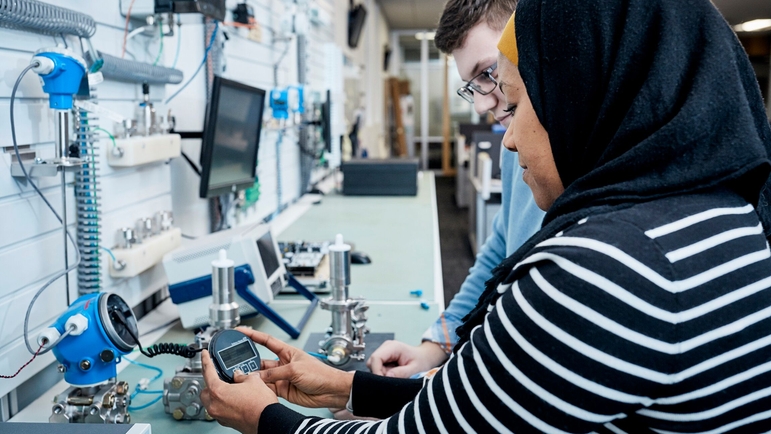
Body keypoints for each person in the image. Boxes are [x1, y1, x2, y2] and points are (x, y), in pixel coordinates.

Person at [201, 0, 771, 431]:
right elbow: (498, 398)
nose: (511, 137)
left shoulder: (607, 273)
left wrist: (265, 418)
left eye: (520, 104)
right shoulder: (722, 220)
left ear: (585, 97)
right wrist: (346, 386)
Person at [367, 0, 545, 380]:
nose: (482, 103)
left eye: (487, 73)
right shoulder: (514, 147)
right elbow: (501, 253)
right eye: (472, 86)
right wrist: (435, 346)